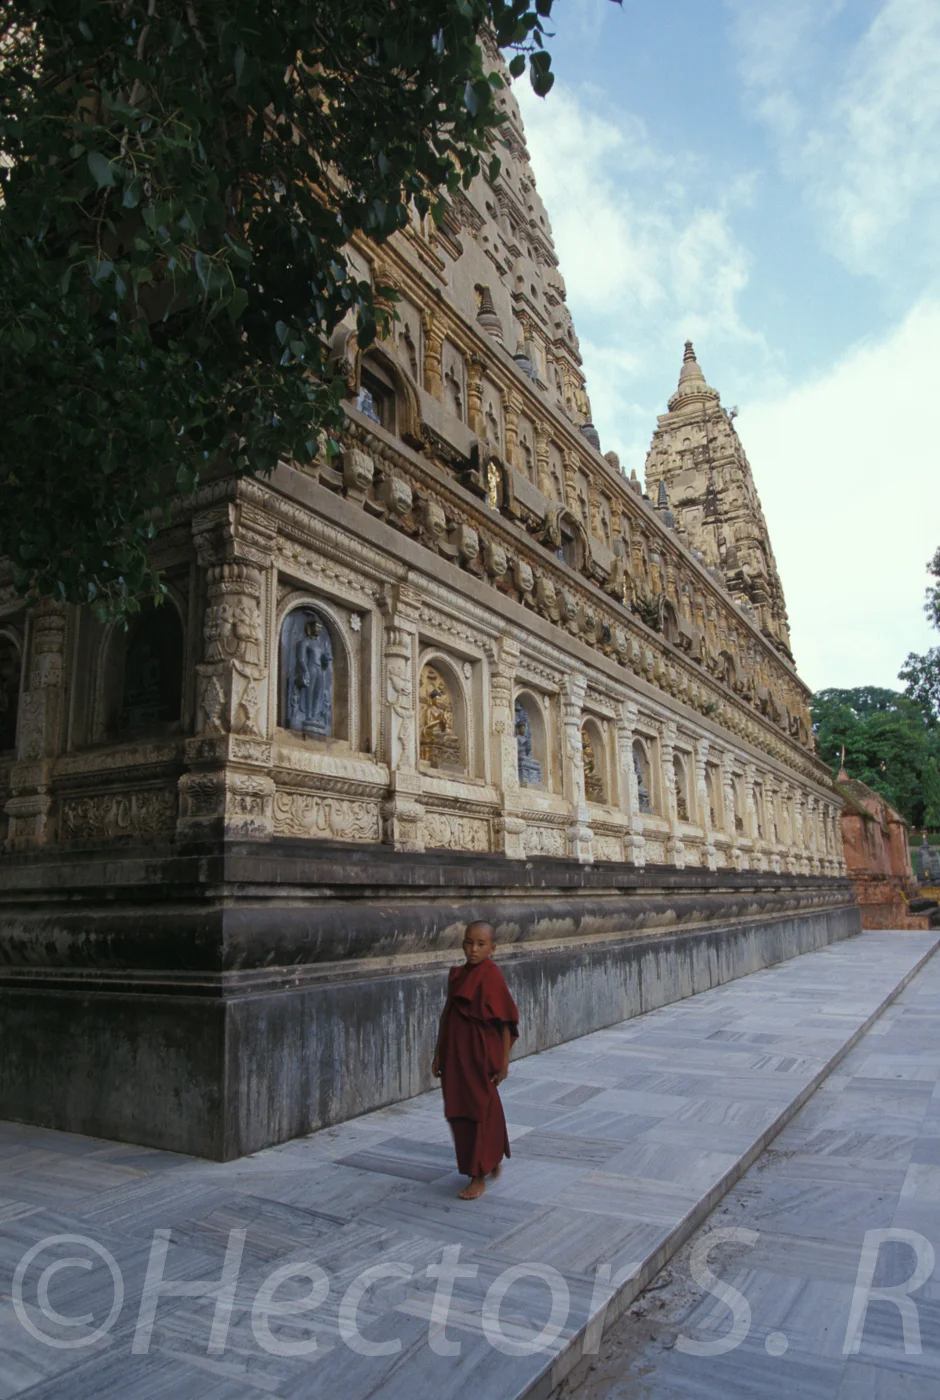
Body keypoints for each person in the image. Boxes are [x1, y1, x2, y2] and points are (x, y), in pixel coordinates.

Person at [432, 921, 519, 1201]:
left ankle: (478, 1176)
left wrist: (504, 1062)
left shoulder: (492, 976)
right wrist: (438, 1052)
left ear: (493, 948)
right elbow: (447, 1013)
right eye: (469, 942)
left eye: (481, 944)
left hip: (480, 1055)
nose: (474, 949)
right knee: (458, 1110)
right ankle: (491, 1158)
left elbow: (505, 1022)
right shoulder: (457, 975)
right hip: (456, 1054)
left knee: (479, 1108)